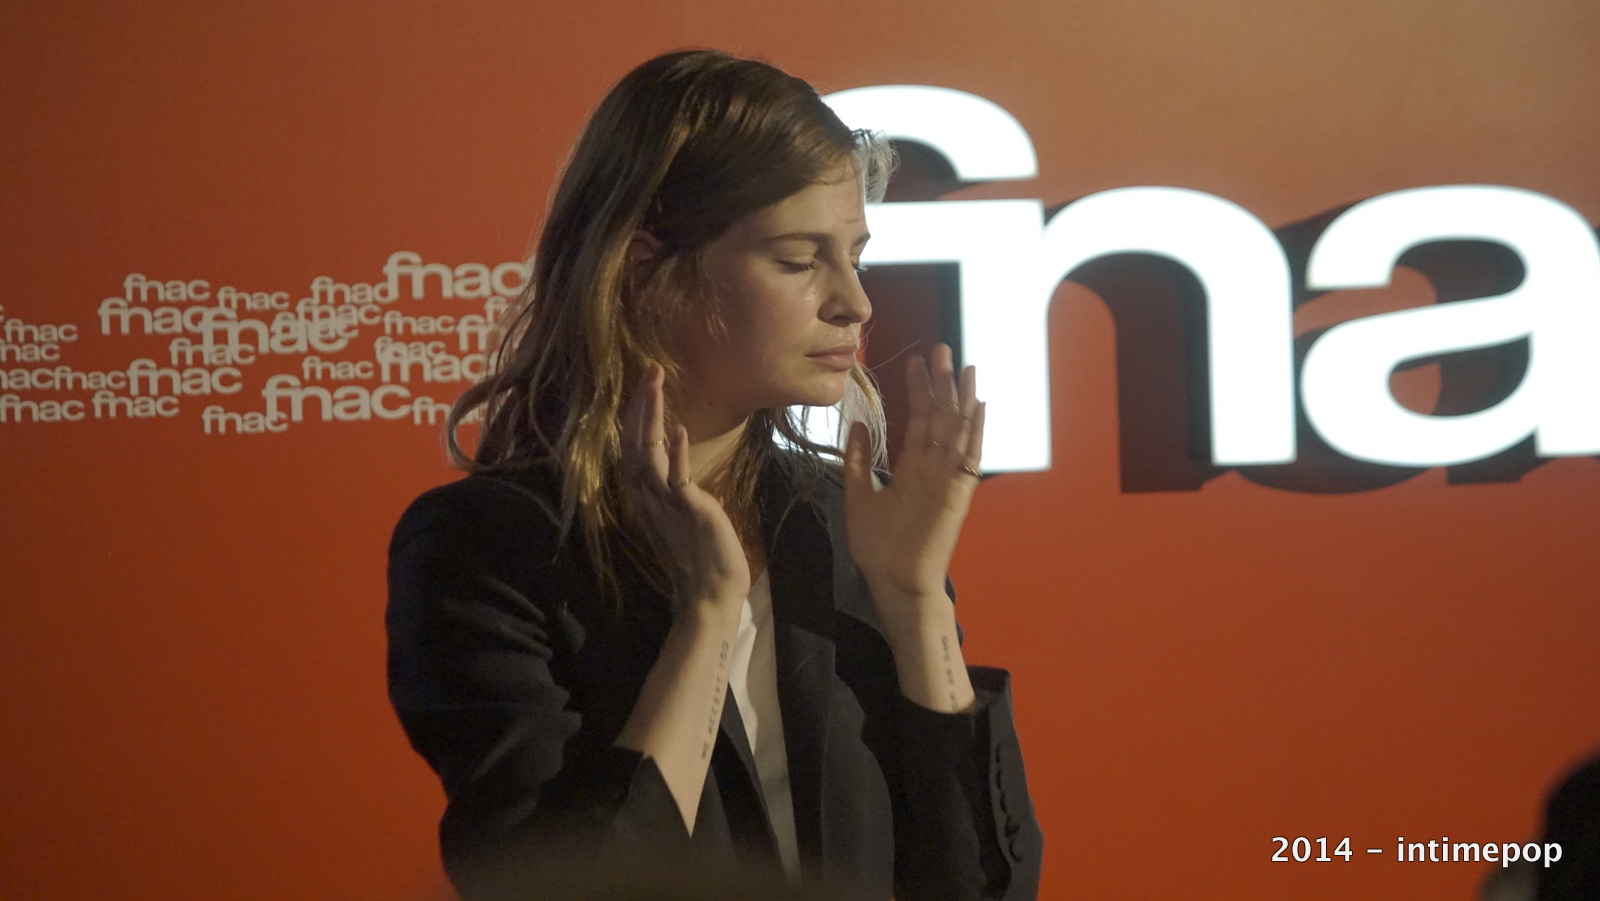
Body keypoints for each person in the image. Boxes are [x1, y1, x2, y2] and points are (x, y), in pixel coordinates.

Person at [386, 49, 1042, 901]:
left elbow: (987, 888)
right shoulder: (488, 549)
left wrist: (917, 602)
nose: (856, 302)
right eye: (799, 260)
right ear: (645, 266)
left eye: (856, 256)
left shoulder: (842, 525)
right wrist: (705, 616)